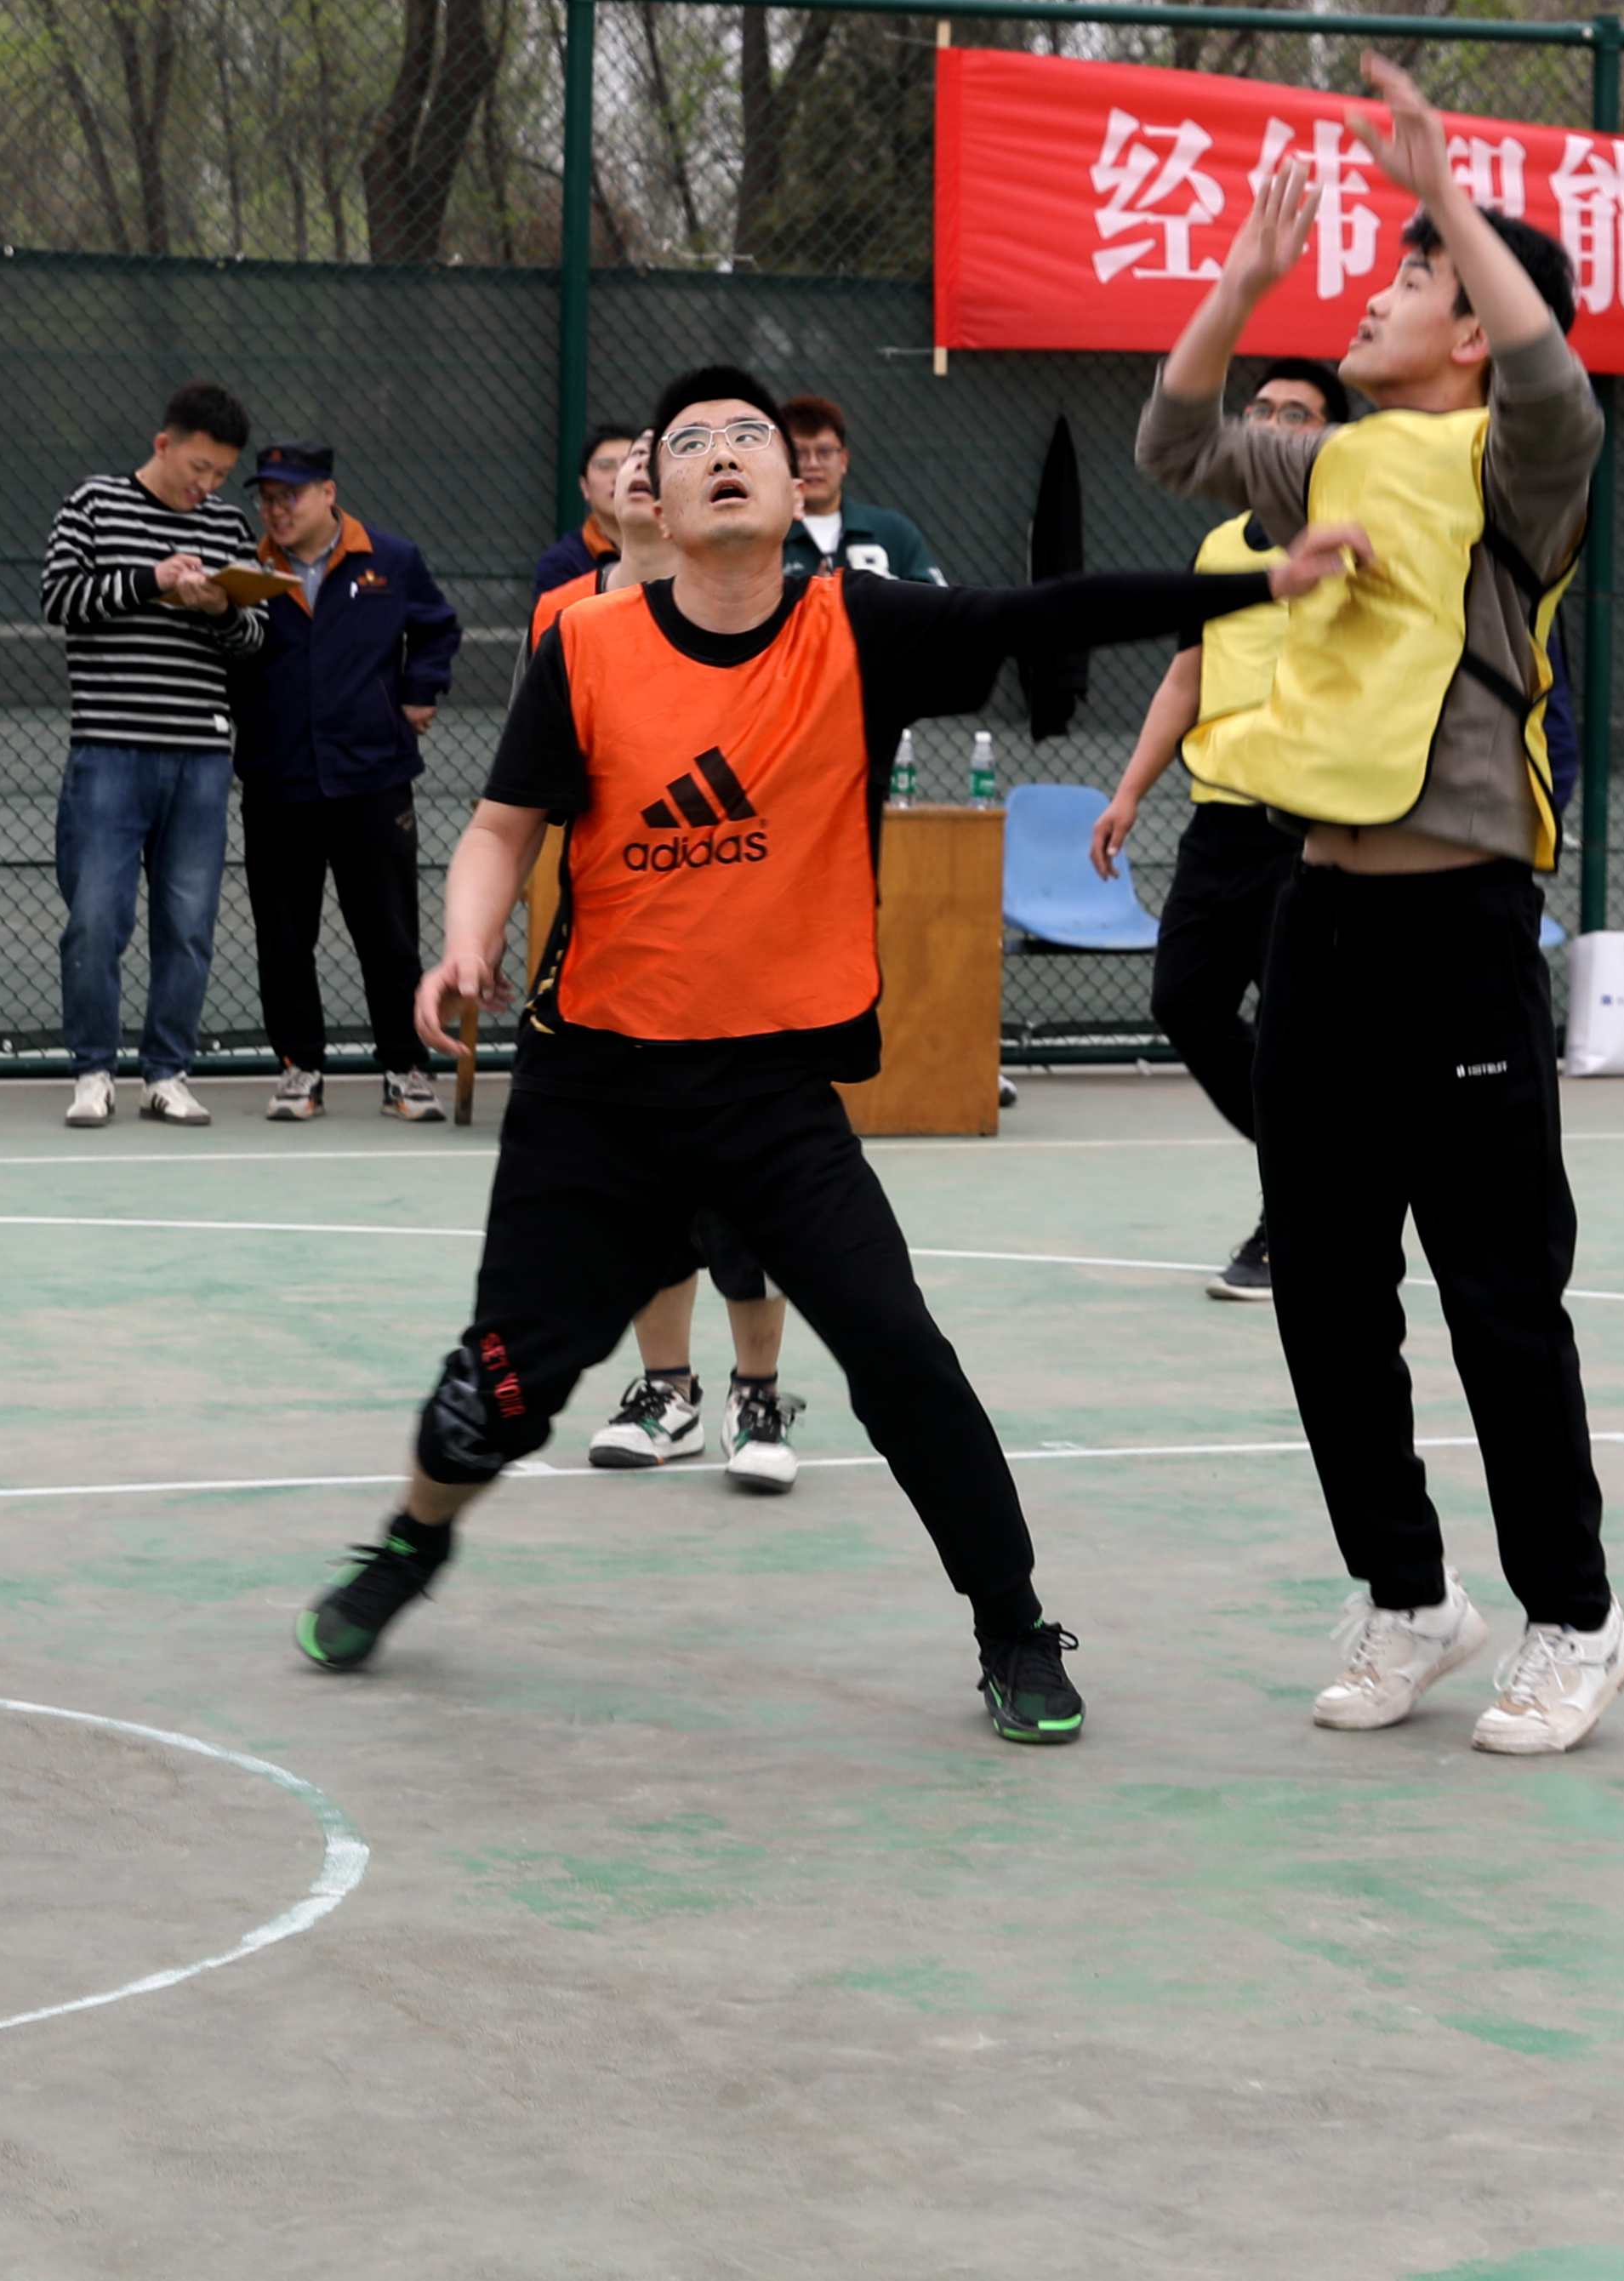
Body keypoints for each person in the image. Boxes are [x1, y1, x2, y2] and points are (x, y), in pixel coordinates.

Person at [294, 362, 1360, 1742]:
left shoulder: (855, 625)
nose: (727, 452)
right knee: (493, 1390)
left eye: (751, 435)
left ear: (797, 485)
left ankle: (1013, 1623)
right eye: (694, 442)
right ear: (653, 495)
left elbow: (1043, 611)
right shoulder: (590, 646)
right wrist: (463, 938)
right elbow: (501, 826)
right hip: (595, 1090)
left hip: (770, 1092)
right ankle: (414, 1536)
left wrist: (1254, 585)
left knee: (904, 1357)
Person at [1139, 58, 1624, 1759]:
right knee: (1327, 1288)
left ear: (1474, 329)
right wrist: (1239, 282)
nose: (1371, 294)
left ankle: (1575, 1617)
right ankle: (1407, 1594)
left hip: (1460, 929)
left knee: (1495, 1291)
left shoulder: (1516, 471)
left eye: (1407, 277)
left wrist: (1447, 199)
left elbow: (1562, 393)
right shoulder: (1333, 460)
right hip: (1320, 920)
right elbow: (1170, 441)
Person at [533, 430, 802, 1491]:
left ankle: (757, 1392)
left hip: (745, 941)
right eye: (624, 460)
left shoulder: (751, 607)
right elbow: (533, 783)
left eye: (663, 455)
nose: (641, 472)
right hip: (620, 945)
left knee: (748, 1191)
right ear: (599, 494)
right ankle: (666, 1392)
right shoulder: (566, 617)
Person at [1088, 356, 1355, 1303]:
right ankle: (1321, 1170)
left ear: (1331, 436)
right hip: (1219, 825)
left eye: (1298, 413)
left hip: (1310, 828)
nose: (1273, 425)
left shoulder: (1354, 540)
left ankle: (1296, 1216)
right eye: (1262, 409)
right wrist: (1127, 791)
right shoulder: (1217, 546)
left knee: (1292, 1040)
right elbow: (1187, 674)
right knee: (1184, 1001)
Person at [42, 378, 260, 1128]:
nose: (208, 486)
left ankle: (167, 1072)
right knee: (96, 919)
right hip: (109, 748)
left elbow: (254, 639)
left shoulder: (228, 526)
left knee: (189, 923)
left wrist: (221, 608)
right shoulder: (94, 503)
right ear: (162, 444)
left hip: (202, 754)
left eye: (220, 473)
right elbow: (58, 598)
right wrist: (151, 579)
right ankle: (92, 1070)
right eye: (198, 467)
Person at [238, 441, 464, 1123]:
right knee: (284, 936)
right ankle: (298, 1069)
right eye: (267, 498)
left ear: (328, 493)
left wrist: (419, 689)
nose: (276, 510)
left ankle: (405, 1068)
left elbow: (437, 628)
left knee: (388, 933)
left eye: (290, 495)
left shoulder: (390, 559)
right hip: (277, 782)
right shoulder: (246, 568)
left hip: (373, 778)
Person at [777, 395, 946, 583]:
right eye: (799, 454)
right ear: (784, 460)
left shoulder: (894, 532)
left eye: (824, 452)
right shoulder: (769, 536)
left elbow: (936, 598)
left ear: (843, 460)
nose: (813, 464)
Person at [528, 428, 638, 597]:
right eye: (605, 466)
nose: (618, 476)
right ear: (584, 486)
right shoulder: (562, 562)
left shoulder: (677, 548)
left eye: (631, 464)